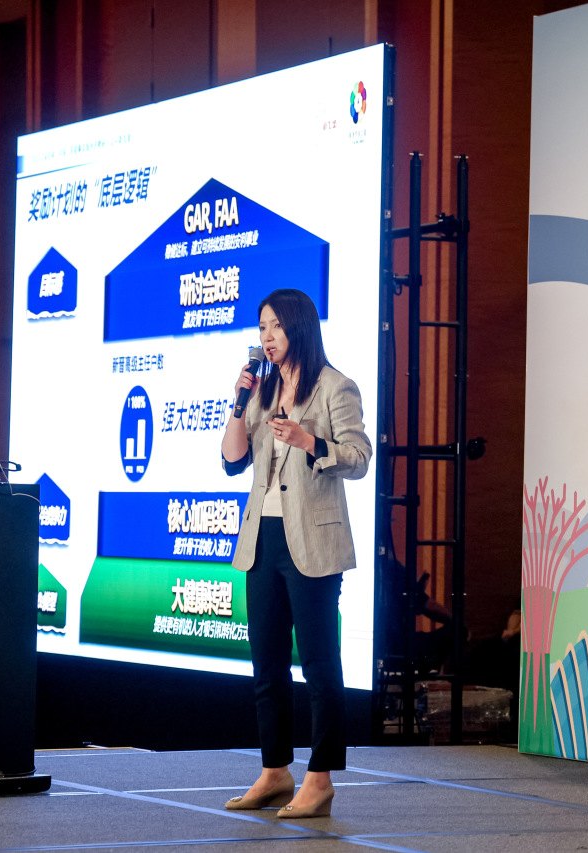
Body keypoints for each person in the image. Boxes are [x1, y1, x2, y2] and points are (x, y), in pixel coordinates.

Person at [219, 288, 371, 819]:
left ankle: (320, 778)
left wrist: (310, 442)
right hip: (262, 540)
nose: (267, 337)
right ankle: (275, 771)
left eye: (276, 327)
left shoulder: (335, 386)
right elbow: (232, 459)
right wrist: (239, 403)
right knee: (267, 665)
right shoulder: (261, 389)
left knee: (320, 666)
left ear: (299, 327)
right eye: (262, 328)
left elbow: (359, 458)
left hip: (314, 542)